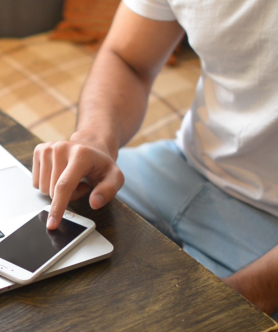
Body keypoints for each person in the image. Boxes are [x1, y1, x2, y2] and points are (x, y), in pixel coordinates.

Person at [32, 0, 278, 319]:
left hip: (267, 227)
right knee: (27, 215)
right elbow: (127, 59)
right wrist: (95, 139)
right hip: (180, 164)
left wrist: (233, 304)